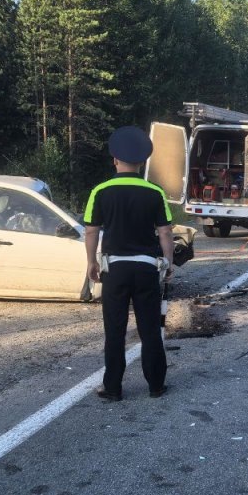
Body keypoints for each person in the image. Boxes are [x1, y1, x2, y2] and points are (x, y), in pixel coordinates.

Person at [84, 126, 175, 402]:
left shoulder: (100, 191)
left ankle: (113, 388)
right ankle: (156, 385)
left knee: (115, 330)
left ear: (115, 160)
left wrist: (91, 262)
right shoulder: (155, 192)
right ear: (142, 162)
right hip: (146, 269)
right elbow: (165, 231)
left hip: (115, 269)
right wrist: (168, 263)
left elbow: (91, 231)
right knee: (150, 329)